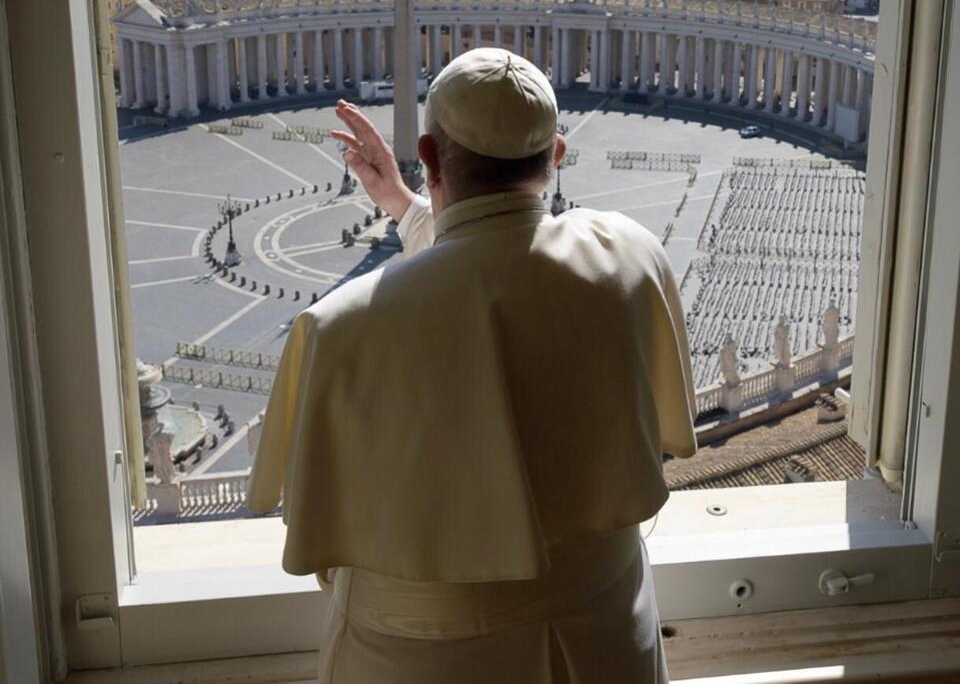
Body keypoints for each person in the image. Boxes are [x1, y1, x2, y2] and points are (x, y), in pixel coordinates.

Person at [248, 48, 697, 684]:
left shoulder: (337, 328)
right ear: (557, 155)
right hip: (606, 639)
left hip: (417, 661)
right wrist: (406, 207)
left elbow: (469, 271)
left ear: (428, 155)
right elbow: (508, 256)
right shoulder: (630, 253)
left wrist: (413, 203)